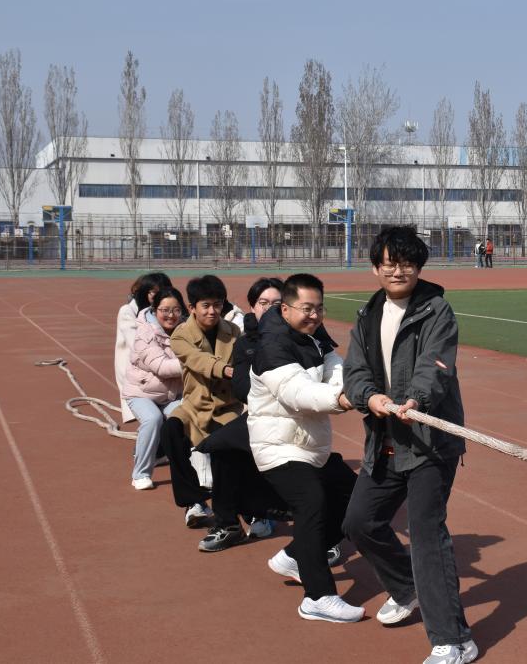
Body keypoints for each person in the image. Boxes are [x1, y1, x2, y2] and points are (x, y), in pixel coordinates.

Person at [342, 226, 476, 664]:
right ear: (375, 268)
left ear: (418, 267)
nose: (398, 271)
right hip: (385, 438)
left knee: (426, 535)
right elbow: (355, 371)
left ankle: (455, 640)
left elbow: (436, 366)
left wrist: (415, 399)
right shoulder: (367, 314)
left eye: (407, 263)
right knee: (360, 521)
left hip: (429, 442)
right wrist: (369, 398)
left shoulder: (436, 309)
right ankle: (406, 588)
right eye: (389, 263)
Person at [248, 273, 362, 623]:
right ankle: (318, 597)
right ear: (285, 309)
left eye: (319, 308)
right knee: (312, 501)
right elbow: (297, 394)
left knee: (357, 500)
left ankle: (295, 556)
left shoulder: (313, 334)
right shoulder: (271, 346)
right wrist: (341, 399)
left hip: (310, 445)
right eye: (306, 308)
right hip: (278, 446)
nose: (314, 315)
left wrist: (344, 386)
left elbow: (334, 364)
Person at [192, 277, 290, 551]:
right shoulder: (246, 343)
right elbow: (242, 389)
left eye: (277, 303)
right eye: (263, 303)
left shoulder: (300, 338)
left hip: (294, 418)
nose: (269, 308)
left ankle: (265, 514)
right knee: (220, 445)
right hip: (260, 415)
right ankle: (229, 524)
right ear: (253, 307)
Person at [159, 275, 242, 528]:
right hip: (194, 406)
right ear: (192, 307)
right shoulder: (180, 335)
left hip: (226, 407)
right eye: (205, 305)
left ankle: (242, 509)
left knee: (228, 451)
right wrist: (226, 370)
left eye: (217, 304)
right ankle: (193, 500)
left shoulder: (233, 332)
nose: (212, 311)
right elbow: (196, 359)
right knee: (170, 430)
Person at [122, 286, 185, 491]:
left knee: (186, 417)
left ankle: (196, 470)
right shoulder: (145, 333)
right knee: (152, 419)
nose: (171, 315)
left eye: (176, 310)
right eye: (165, 310)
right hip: (141, 393)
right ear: (155, 309)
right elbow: (162, 367)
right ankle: (140, 474)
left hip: (171, 394)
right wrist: (196, 362)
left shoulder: (186, 330)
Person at [114, 272, 172, 425]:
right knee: (151, 417)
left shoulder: (163, 311)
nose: (159, 296)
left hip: (156, 368)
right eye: (154, 292)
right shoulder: (128, 311)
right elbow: (137, 344)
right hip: (136, 370)